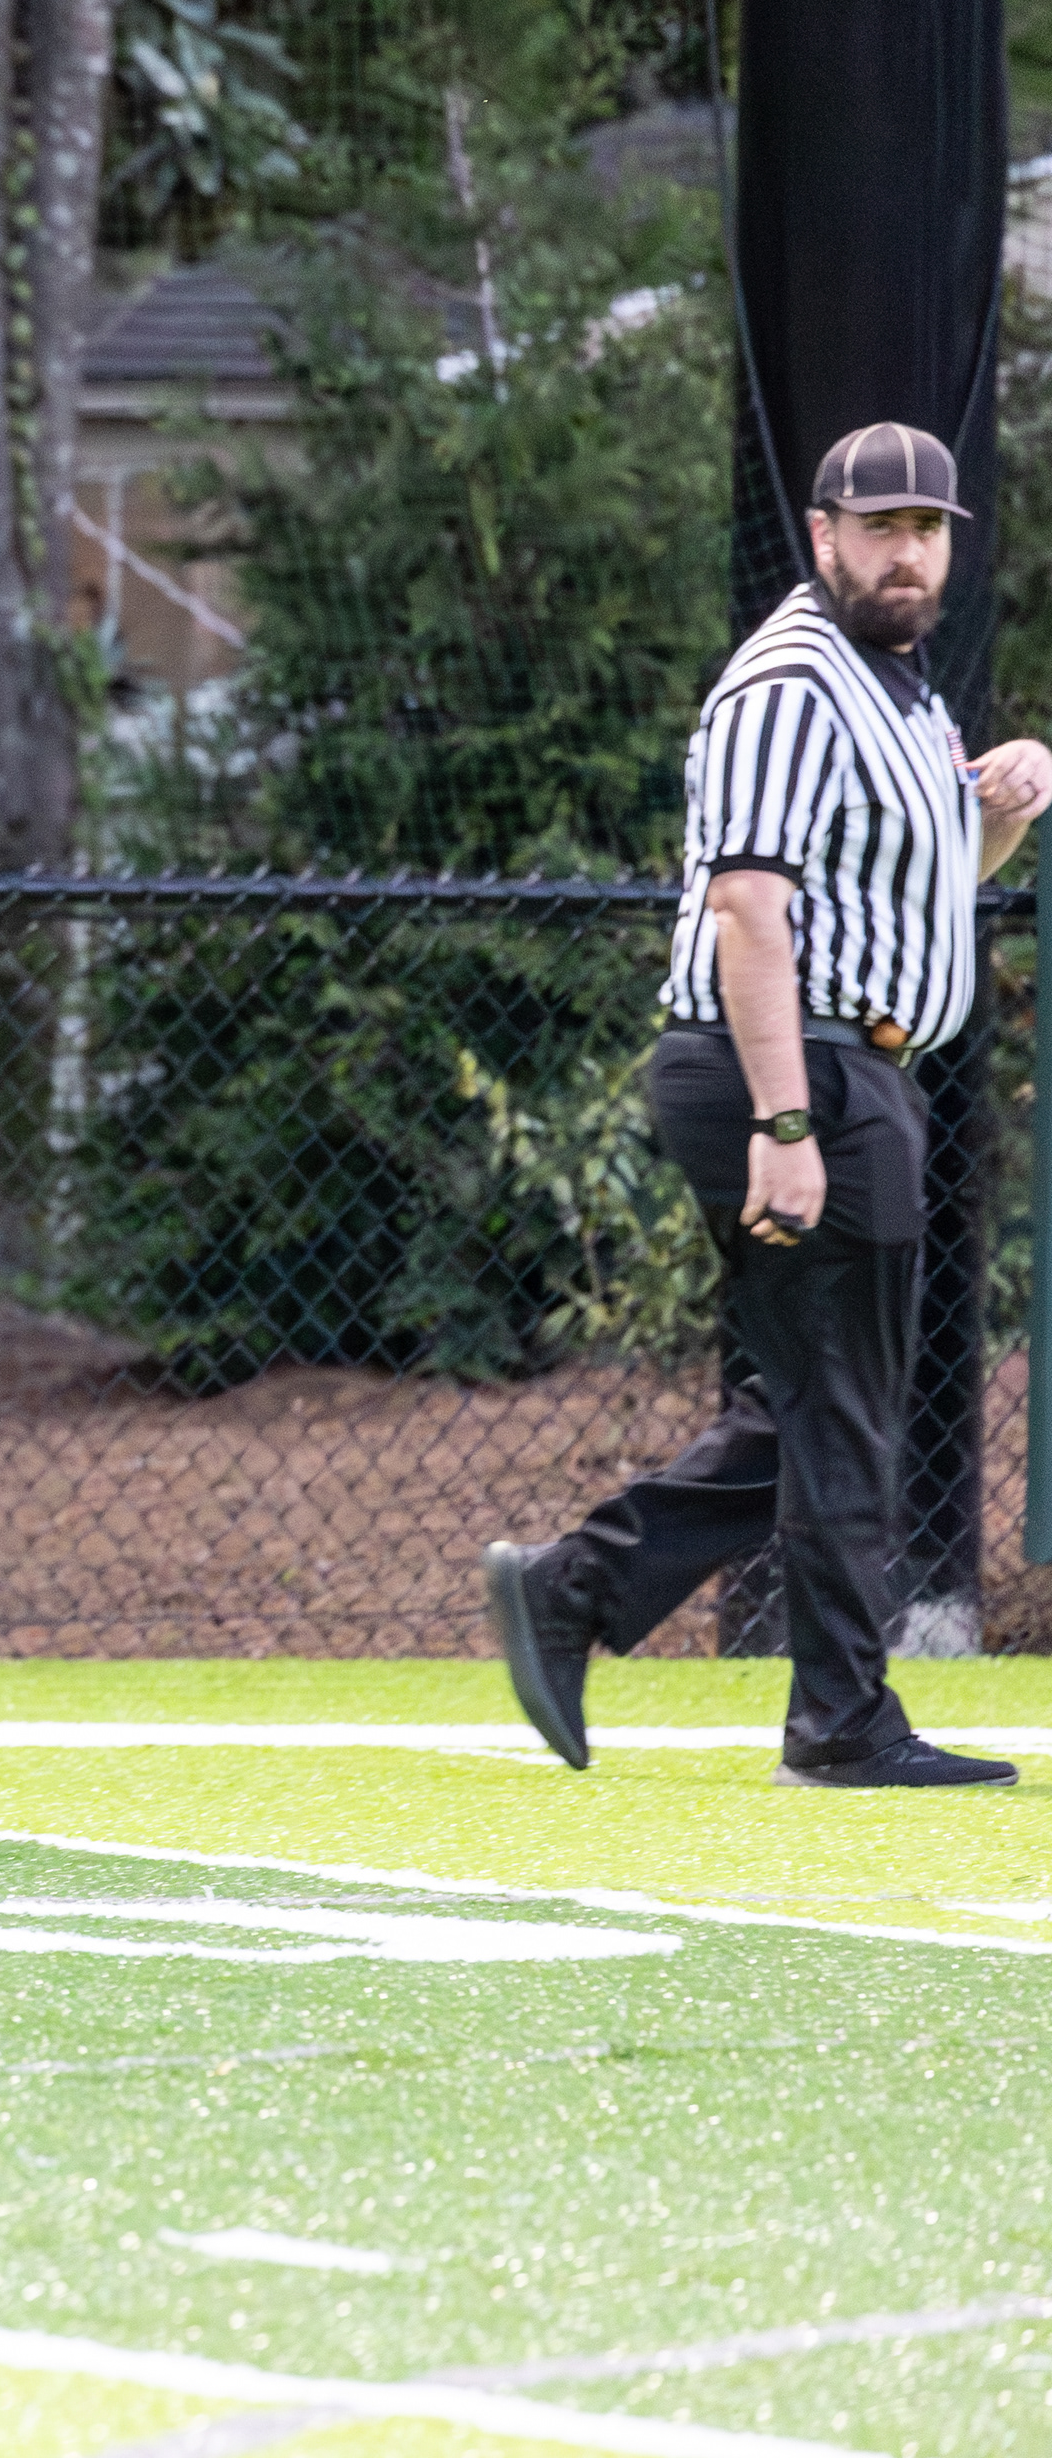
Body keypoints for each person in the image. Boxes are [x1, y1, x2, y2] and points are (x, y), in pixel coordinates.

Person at [483, 423, 1049, 1787]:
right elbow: (748, 907)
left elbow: (921, 892)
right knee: (843, 1410)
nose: (906, 553)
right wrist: (786, 1124)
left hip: (852, 1069)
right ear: (822, 535)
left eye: (928, 530)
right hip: (795, 1068)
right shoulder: (792, 683)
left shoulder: (899, 689)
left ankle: (572, 1588)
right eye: (880, 527)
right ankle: (840, 1723)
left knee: (812, 1405)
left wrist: (1007, 807)